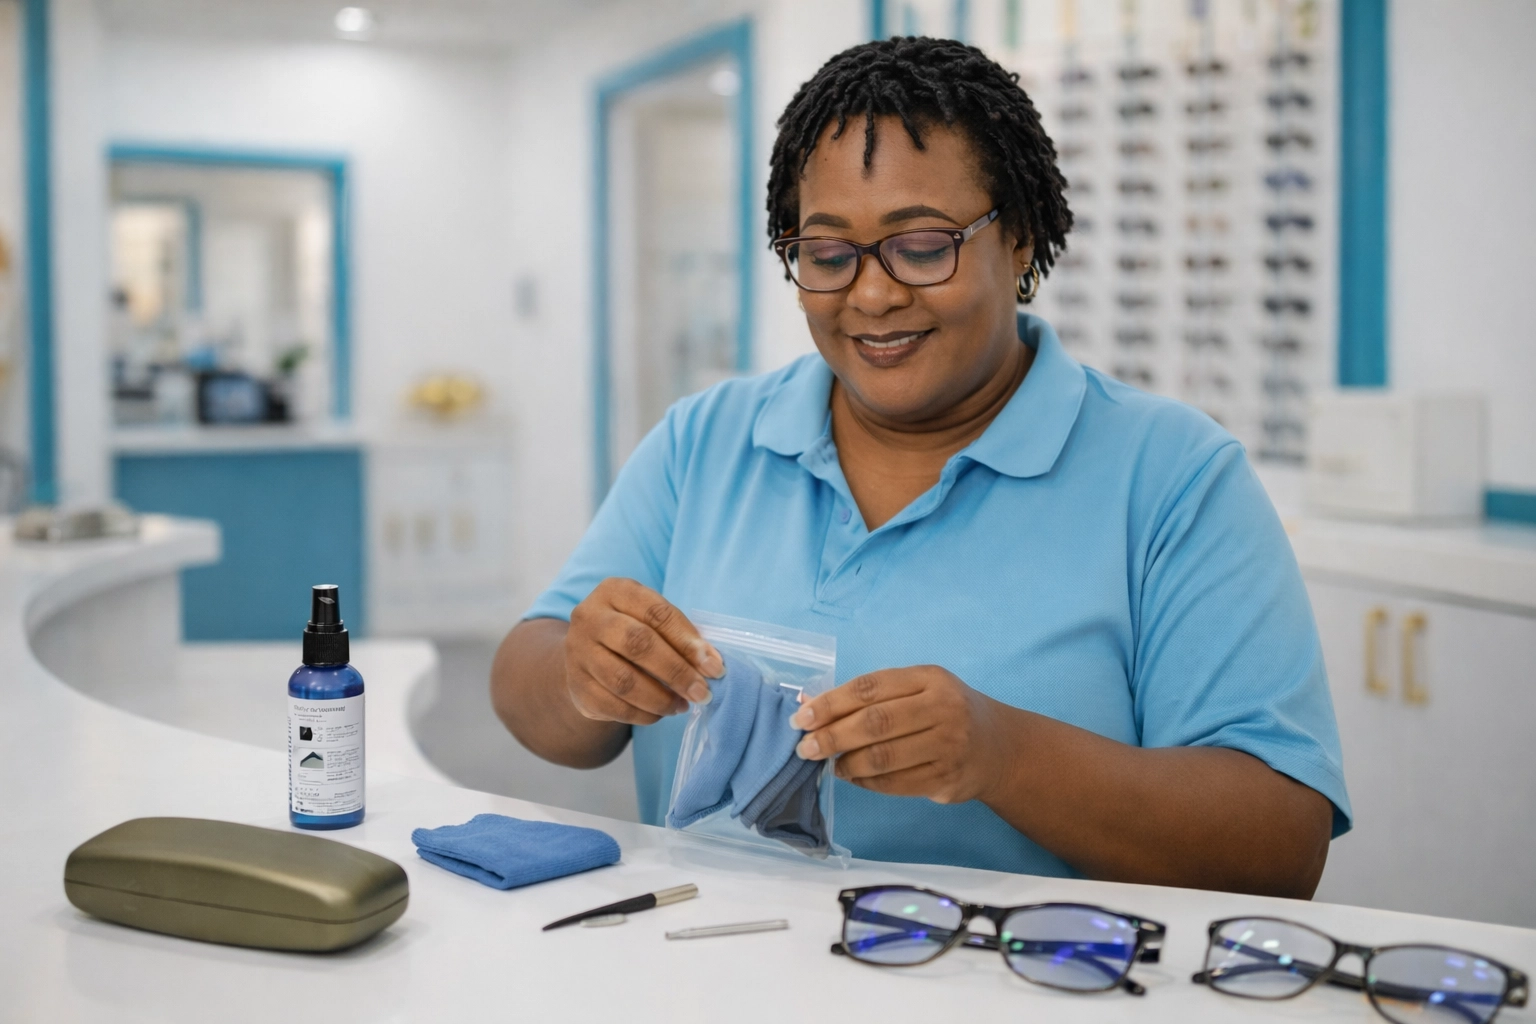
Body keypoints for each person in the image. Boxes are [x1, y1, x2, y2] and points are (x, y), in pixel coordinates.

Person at [492, 36, 1349, 897]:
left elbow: (1278, 848)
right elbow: (528, 678)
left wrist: (1005, 755)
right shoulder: (706, 442)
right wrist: (585, 676)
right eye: (827, 255)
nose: (871, 295)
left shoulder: (1172, 478)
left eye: (923, 245)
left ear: (1018, 239)